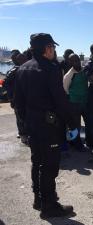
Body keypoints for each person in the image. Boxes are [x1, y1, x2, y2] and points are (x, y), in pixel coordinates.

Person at [14, 33, 78, 218]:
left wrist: (26, 124)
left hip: (33, 125)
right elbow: (60, 100)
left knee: (37, 161)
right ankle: (49, 205)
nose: (54, 50)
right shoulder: (49, 69)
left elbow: (17, 102)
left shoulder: (23, 68)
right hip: (49, 126)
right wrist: (72, 123)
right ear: (46, 48)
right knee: (49, 165)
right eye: (52, 47)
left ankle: (38, 199)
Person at [63, 53, 89, 151]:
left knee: (89, 123)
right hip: (74, 104)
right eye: (73, 60)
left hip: (85, 102)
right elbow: (65, 90)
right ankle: (76, 144)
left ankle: (88, 141)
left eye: (77, 59)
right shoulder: (69, 75)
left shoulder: (84, 70)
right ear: (70, 62)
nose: (76, 62)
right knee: (75, 126)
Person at [3, 50, 29, 145]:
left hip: (25, 98)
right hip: (17, 99)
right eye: (21, 59)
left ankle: (25, 134)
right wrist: (11, 97)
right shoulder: (14, 70)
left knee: (25, 117)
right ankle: (23, 136)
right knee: (20, 117)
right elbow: (6, 83)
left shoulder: (25, 68)